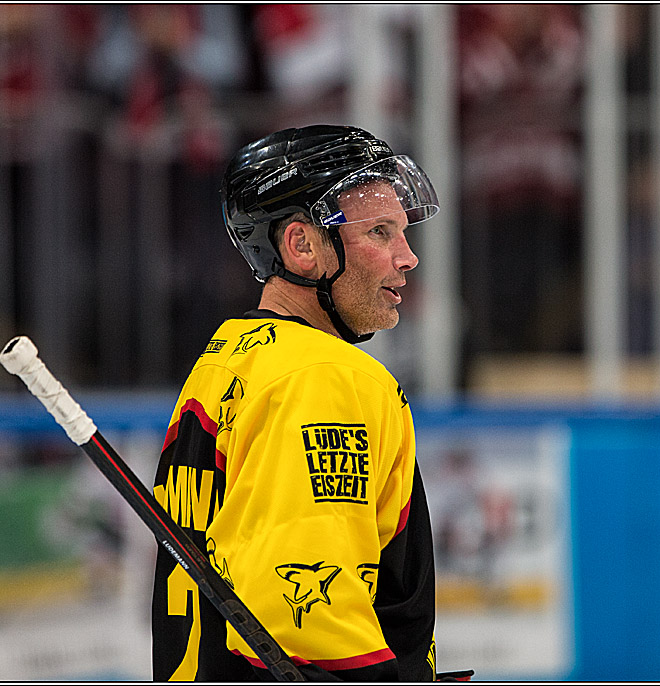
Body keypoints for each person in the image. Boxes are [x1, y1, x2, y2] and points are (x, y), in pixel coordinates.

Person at [150, 125, 454, 681]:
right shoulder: (325, 376)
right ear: (303, 246)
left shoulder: (229, 359)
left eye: (403, 233)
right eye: (381, 233)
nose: (408, 258)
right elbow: (305, 613)